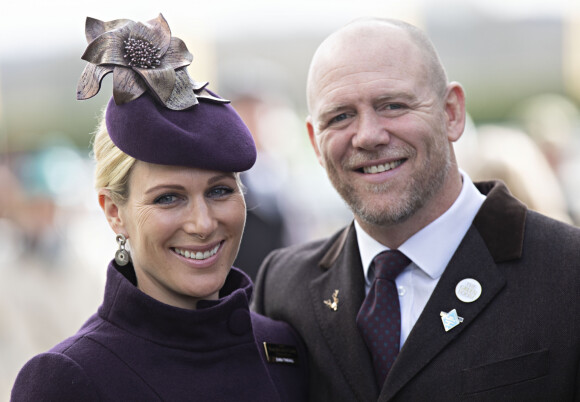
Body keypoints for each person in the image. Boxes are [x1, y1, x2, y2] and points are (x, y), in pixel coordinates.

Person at [252, 17, 580, 401]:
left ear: (451, 113)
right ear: (314, 141)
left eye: (392, 105)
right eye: (340, 116)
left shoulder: (568, 272)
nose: (368, 135)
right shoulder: (284, 287)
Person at [11, 14, 307, 401]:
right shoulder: (68, 379)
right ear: (114, 212)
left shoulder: (284, 349)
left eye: (219, 191)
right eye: (169, 197)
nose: (203, 224)